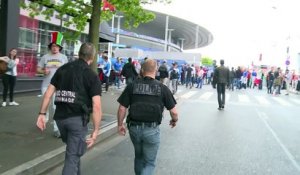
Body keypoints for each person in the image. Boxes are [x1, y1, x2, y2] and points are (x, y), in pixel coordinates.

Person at [36, 42, 102, 175]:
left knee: (74, 150)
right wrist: (95, 131)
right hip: (76, 121)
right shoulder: (91, 75)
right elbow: (97, 106)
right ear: (92, 57)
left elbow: (49, 93)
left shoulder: (62, 69)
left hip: (60, 119)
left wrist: (42, 114)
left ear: (79, 54)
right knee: (72, 157)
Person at [117, 58, 178, 175]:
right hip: (151, 130)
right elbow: (174, 112)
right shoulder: (162, 88)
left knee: (138, 157)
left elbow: (122, 108)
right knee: (149, 163)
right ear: (156, 71)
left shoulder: (132, 86)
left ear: (142, 70)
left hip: (134, 129)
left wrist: (120, 125)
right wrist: (174, 120)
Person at [37, 31, 68, 138]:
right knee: (45, 105)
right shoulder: (45, 57)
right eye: (53, 46)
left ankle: (56, 129)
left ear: (60, 47)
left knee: (56, 107)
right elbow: (38, 69)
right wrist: (43, 71)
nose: (55, 48)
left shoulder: (64, 58)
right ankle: (43, 120)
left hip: (58, 86)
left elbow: (67, 71)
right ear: (50, 46)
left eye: (57, 46)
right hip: (46, 84)